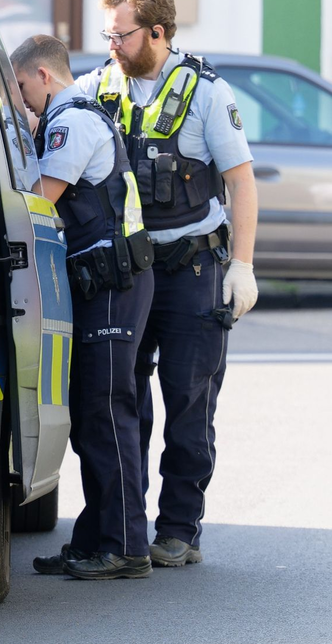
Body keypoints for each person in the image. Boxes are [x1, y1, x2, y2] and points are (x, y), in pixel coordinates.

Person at [77, 0, 258, 567]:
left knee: (188, 401)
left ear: (156, 32)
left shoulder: (207, 93)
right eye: (106, 33)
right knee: (120, 398)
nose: (111, 43)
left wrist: (244, 266)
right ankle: (124, 527)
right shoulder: (98, 86)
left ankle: (179, 527)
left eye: (121, 34)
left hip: (191, 271)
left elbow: (242, 183)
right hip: (126, 273)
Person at [14, 35, 156, 580]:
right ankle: (95, 538)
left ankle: (126, 547)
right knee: (90, 417)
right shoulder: (71, 115)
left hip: (114, 283)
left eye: (24, 87)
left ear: (43, 76)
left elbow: (38, 199)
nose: (25, 99)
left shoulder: (70, 120)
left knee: (107, 412)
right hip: (103, 283)